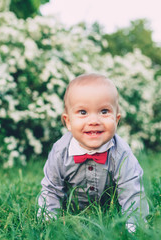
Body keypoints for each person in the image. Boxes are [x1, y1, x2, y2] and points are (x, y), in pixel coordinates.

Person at [38, 73, 149, 232]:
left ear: (116, 120)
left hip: (110, 207)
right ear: (68, 122)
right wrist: (48, 220)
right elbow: (51, 189)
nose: (94, 121)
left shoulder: (121, 153)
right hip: (72, 209)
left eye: (104, 111)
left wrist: (133, 226)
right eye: (83, 112)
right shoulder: (59, 152)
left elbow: (131, 191)